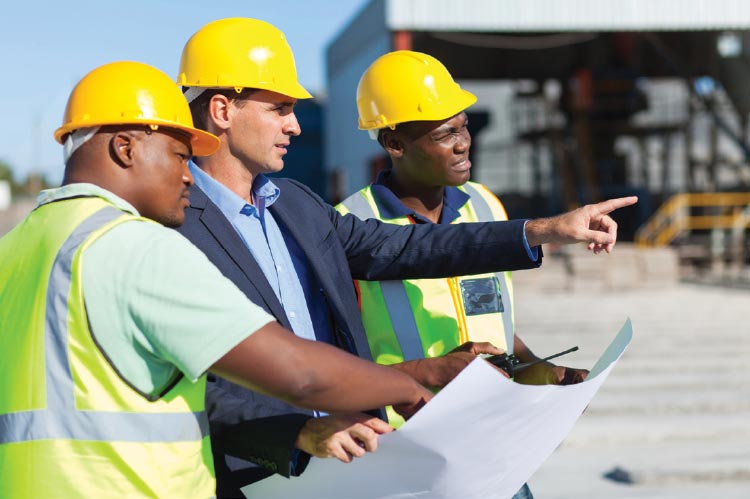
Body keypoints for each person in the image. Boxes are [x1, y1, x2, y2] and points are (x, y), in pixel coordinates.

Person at [175, 18, 637, 497]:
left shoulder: (294, 204)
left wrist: (547, 231)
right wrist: (295, 434)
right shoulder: (173, 225)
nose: (295, 125)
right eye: (281, 108)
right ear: (222, 110)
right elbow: (189, 381)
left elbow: (407, 247)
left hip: (362, 457)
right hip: (265, 473)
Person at [0, 60, 434, 498]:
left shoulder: (14, 250)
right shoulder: (133, 246)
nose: (189, 175)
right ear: (125, 148)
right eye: (179, 156)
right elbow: (298, 374)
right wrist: (407, 383)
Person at [336, 50, 590, 499]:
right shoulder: (351, 225)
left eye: (464, 126)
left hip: (496, 446)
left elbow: (494, 321)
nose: (463, 143)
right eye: (444, 133)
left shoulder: (485, 205)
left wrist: (542, 373)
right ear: (394, 144)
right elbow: (333, 361)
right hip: (410, 457)